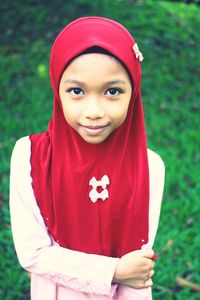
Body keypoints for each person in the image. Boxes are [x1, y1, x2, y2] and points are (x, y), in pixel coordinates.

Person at [10, 16, 165, 299]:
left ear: (134, 93)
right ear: (57, 90)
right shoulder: (29, 157)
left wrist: (125, 272)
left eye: (113, 91)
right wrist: (113, 271)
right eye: (77, 91)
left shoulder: (149, 167)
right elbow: (32, 254)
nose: (94, 110)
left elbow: (138, 264)